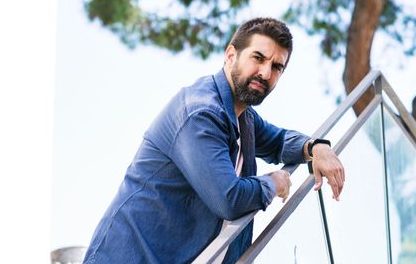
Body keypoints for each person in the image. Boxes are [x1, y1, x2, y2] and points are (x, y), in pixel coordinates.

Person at [83, 17, 345, 264]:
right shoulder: (200, 112)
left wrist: (316, 147)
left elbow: (278, 142)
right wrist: (273, 183)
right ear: (231, 55)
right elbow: (228, 199)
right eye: (258, 58)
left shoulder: (244, 118)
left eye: (276, 67)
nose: (265, 72)